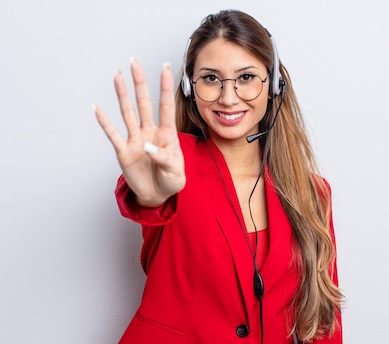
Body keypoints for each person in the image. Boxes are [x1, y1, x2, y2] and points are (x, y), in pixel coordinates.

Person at [94, 9, 343, 344]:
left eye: (246, 77)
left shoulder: (312, 192)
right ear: (189, 87)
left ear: (273, 85)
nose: (228, 97)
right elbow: (148, 198)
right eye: (211, 78)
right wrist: (152, 197)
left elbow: (324, 322)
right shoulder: (173, 160)